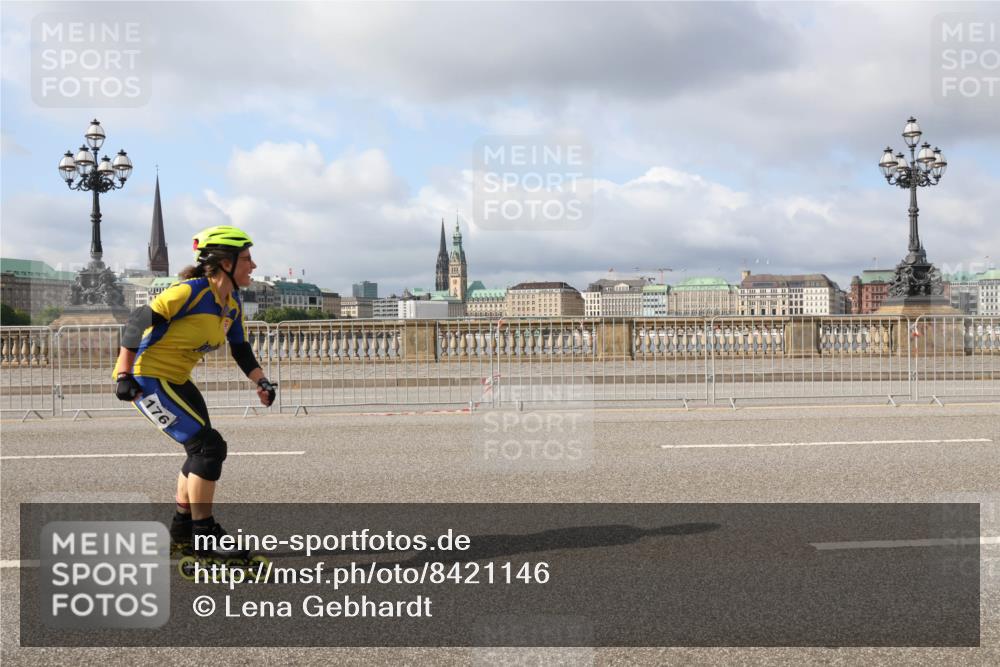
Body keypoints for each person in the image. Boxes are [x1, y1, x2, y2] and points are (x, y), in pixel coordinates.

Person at [113, 225, 276, 560]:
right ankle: (205, 534)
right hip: (147, 379)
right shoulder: (190, 292)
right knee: (208, 447)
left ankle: (181, 531)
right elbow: (136, 321)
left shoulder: (230, 305)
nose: (254, 265)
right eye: (247, 258)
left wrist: (261, 381)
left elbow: (241, 349)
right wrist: (124, 373)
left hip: (176, 379)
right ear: (224, 262)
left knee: (200, 450)